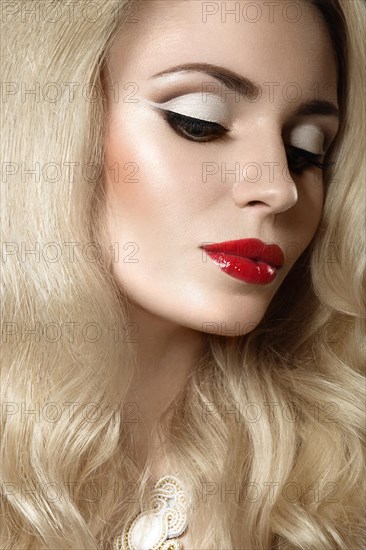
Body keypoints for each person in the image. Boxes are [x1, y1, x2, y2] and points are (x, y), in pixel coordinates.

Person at [1, 0, 365, 548]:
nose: (279, 188)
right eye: (200, 122)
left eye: (305, 150)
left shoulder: (339, 482)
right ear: (48, 128)